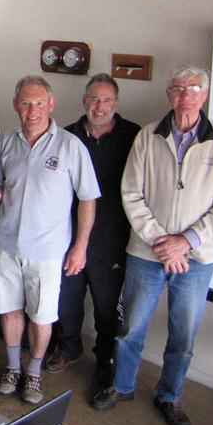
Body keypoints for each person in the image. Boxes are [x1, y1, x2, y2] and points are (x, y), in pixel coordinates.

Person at [92, 67, 213, 425]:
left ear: (204, 95)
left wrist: (185, 243)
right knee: (131, 327)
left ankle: (169, 395)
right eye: (178, 88)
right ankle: (122, 385)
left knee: (183, 334)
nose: (185, 95)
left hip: (196, 258)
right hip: (147, 252)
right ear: (168, 94)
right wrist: (162, 241)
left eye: (193, 88)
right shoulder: (148, 137)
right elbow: (131, 192)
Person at [0, 75, 100, 404]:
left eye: (39, 103)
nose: (32, 110)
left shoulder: (70, 146)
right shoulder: (5, 143)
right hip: (7, 246)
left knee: (41, 317)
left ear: (51, 106)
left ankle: (33, 372)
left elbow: (88, 200)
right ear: (15, 105)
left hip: (49, 252)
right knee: (8, 312)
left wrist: (80, 247)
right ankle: (12, 367)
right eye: (25, 103)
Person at [45, 74, 141, 387]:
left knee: (106, 305)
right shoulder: (67, 136)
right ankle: (68, 346)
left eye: (106, 100)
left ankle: (104, 358)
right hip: (68, 236)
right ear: (85, 101)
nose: (99, 107)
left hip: (111, 240)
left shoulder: (134, 137)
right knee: (67, 299)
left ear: (117, 103)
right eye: (94, 100)